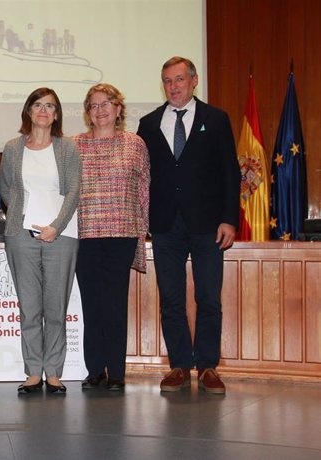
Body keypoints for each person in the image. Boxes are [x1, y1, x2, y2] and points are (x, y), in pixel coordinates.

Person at [137, 56, 239, 394]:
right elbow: (142, 177)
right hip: (165, 225)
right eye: (167, 80)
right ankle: (179, 365)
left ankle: (208, 366)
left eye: (179, 79)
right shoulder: (148, 123)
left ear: (194, 81)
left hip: (208, 223)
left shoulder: (216, 119)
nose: (173, 86)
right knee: (171, 298)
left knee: (209, 297)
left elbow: (229, 173)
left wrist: (229, 219)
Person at [0, 87, 80, 395]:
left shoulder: (67, 147)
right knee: (30, 308)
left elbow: (74, 191)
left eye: (50, 106)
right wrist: (21, 217)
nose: (43, 111)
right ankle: (34, 371)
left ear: (56, 114)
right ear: (28, 111)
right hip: (21, 237)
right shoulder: (13, 147)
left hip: (61, 236)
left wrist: (55, 227)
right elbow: (6, 189)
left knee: (56, 308)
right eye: (37, 105)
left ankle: (54, 372)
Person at [73, 83, 150, 391]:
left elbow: (145, 189)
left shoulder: (135, 144)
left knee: (115, 304)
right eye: (94, 105)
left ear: (119, 109)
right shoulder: (73, 144)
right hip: (84, 234)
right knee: (91, 304)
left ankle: (116, 371)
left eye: (107, 103)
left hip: (122, 232)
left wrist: (144, 229)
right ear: (87, 113)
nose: (100, 109)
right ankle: (95, 371)